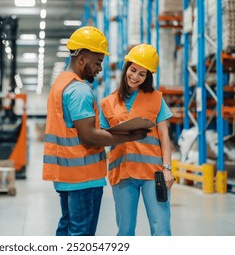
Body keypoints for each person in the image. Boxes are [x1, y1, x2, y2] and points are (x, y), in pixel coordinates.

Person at [42, 26, 150, 236]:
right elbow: (89, 136)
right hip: (83, 176)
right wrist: (131, 135)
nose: (100, 68)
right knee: (82, 234)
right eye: (97, 62)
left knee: (67, 228)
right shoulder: (79, 90)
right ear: (82, 59)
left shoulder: (61, 84)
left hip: (65, 176)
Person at [99, 44, 175, 236]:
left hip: (154, 174)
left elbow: (164, 136)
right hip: (122, 173)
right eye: (133, 70)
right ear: (126, 68)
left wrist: (167, 169)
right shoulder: (107, 103)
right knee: (125, 230)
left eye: (142, 74)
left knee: (161, 229)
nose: (135, 77)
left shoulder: (156, 99)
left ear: (148, 77)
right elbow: (102, 136)